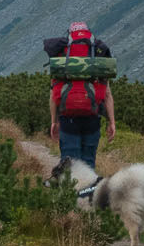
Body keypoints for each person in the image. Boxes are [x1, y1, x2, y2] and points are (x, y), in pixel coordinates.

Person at [48, 23, 116, 168]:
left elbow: (54, 95)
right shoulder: (97, 54)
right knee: (88, 162)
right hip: (92, 116)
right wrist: (111, 122)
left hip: (68, 117)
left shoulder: (62, 55)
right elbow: (107, 95)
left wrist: (54, 121)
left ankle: (70, 190)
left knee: (69, 163)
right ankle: (89, 190)